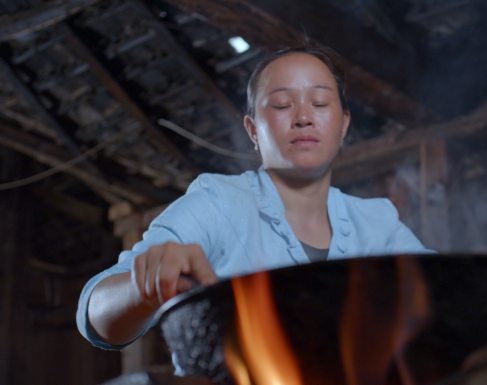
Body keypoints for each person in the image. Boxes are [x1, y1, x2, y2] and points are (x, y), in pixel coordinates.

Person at [76, 44, 431, 353]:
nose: (304, 118)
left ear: (343, 126)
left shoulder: (378, 224)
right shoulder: (218, 203)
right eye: (281, 104)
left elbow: (447, 296)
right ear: (253, 130)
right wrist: (144, 286)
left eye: (320, 102)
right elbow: (95, 314)